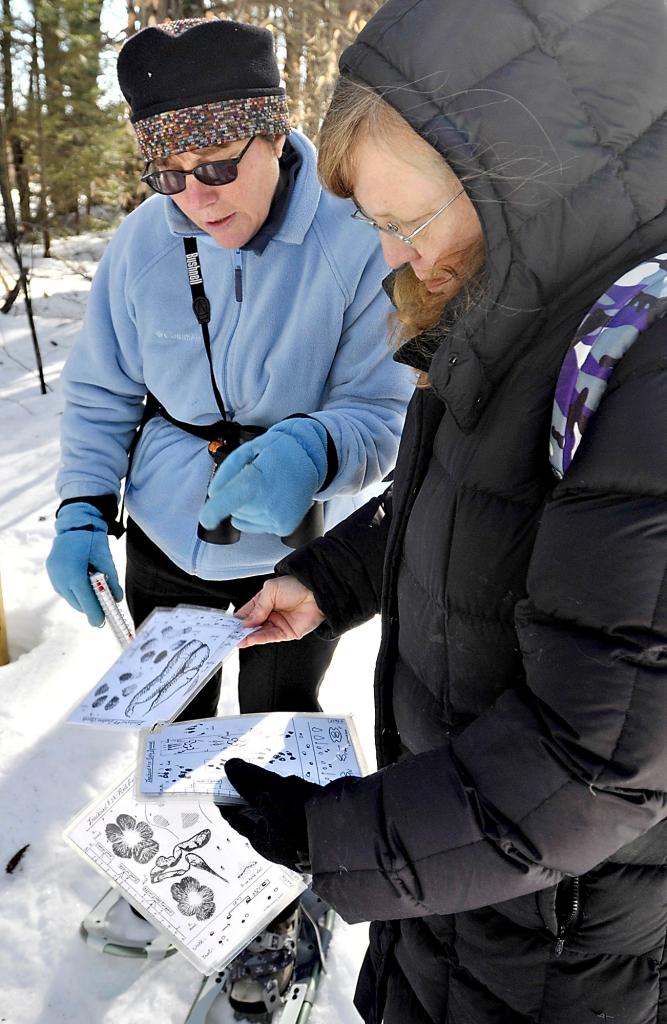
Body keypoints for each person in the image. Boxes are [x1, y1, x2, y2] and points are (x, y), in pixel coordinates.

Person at [215, 1, 667, 1021]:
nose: (393, 257)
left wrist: (330, 838)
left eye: (405, 222)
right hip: (458, 889)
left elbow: (595, 762)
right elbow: (470, 509)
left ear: (522, 174)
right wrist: (324, 582)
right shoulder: (520, 310)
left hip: (557, 952)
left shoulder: (640, 367)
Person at [45, 17, 412, 724]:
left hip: (294, 547)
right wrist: (83, 506)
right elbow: (101, 393)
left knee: (276, 718)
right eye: (168, 175)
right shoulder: (141, 242)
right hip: (162, 534)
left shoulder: (362, 236)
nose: (196, 197)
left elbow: (384, 410)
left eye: (217, 165)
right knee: (171, 720)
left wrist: (315, 452)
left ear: (275, 135)